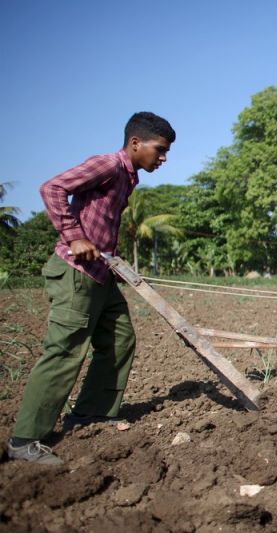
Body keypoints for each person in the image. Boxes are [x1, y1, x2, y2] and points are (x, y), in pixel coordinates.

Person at [7, 112, 175, 465]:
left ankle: (90, 414)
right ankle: (24, 440)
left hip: (100, 275)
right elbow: (52, 188)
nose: (163, 158)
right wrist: (75, 236)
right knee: (66, 349)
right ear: (135, 143)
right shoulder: (108, 165)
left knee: (120, 339)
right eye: (160, 150)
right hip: (76, 273)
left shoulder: (129, 179)